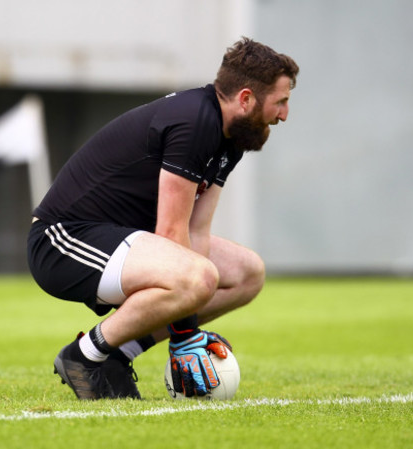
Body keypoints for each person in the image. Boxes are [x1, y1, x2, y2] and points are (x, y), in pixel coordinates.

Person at [27, 37, 299, 399]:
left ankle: (118, 354)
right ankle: (83, 356)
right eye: (280, 102)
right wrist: (186, 334)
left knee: (246, 274)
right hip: (62, 240)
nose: (284, 114)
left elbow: (195, 231)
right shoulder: (195, 121)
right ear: (246, 98)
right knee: (197, 277)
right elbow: (171, 233)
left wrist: (189, 323)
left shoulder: (231, 138)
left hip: (126, 239)